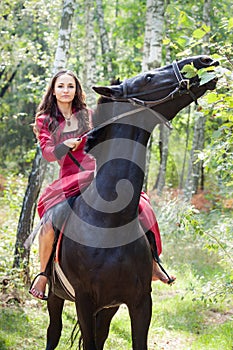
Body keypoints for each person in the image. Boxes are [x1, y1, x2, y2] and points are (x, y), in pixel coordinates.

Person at [29, 69, 175, 300]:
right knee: (49, 222)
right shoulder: (45, 119)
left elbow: (111, 121)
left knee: (143, 206)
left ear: (76, 89)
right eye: (61, 86)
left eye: (70, 86)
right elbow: (48, 154)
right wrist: (66, 144)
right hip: (69, 179)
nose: (66, 90)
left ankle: (154, 261)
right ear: (53, 91)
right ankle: (44, 273)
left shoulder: (88, 114)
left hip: (97, 173)